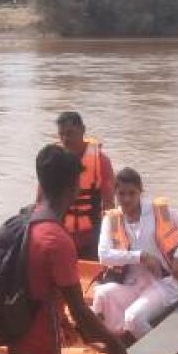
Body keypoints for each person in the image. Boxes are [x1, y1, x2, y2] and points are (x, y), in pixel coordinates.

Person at [4, 144, 130, 354]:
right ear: (73, 188)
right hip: (37, 344)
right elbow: (79, 310)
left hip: (23, 334)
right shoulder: (57, 240)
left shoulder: (26, 221)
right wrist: (112, 342)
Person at [92, 167, 178, 343]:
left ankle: (157, 351)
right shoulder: (111, 219)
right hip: (132, 284)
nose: (126, 199)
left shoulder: (158, 211)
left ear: (141, 191)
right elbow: (104, 255)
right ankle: (115, 343)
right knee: (101, 293)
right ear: (115, 194)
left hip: (163, 283)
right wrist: (140, 256)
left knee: (133, 318)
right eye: (121, 194)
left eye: (132, 193)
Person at [55, 111, 116, 260]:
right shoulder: (54, 161)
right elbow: (41, 201)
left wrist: (112, 238)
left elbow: (109, 205)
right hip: (61, 236)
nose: (65, 139)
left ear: (83, 130)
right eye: (61, 134)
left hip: (92, 237)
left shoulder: (101, 162)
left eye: (70, 133)